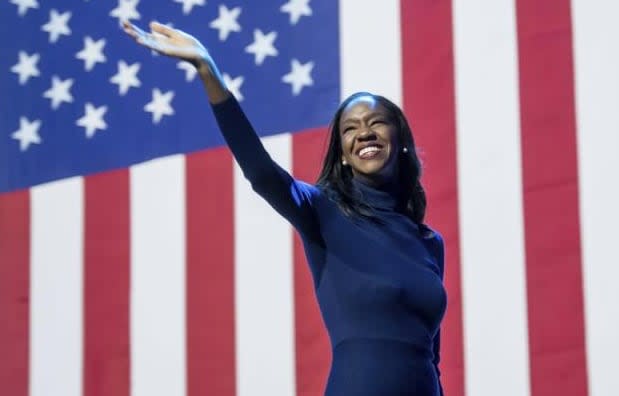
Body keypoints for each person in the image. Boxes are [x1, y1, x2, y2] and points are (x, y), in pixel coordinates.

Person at [122, 21, 447, 396]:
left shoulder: (429, 243)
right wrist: (208, 71)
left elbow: (432, 360)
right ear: (342, 154)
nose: (365, 133)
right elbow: (261, 174)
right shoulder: (323, 210)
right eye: (350, 129)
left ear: (400, 140)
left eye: (376, 123)